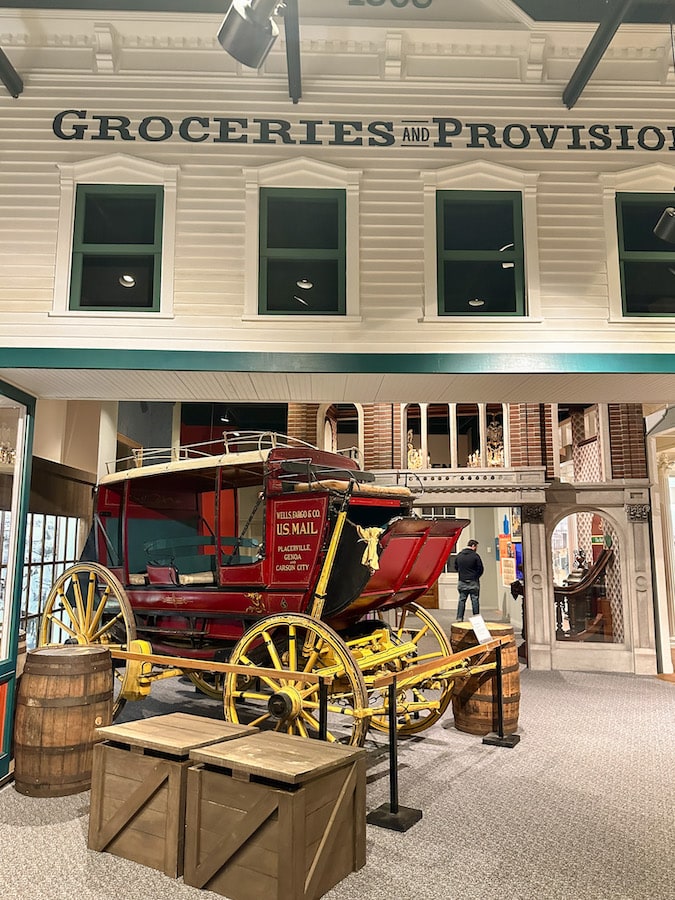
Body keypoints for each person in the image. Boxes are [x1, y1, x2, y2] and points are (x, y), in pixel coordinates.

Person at [454, 539, 484, 621]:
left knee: (462, 599)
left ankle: (459, 617)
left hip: (462, 580)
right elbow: (480, 568)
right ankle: (476, 618)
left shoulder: (459, 555)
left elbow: (456, 567)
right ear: (473, 546)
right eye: (476, 546)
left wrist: (462, 574)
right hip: (473, 581)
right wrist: (476, 576)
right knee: (475, 599)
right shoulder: (475, 556)